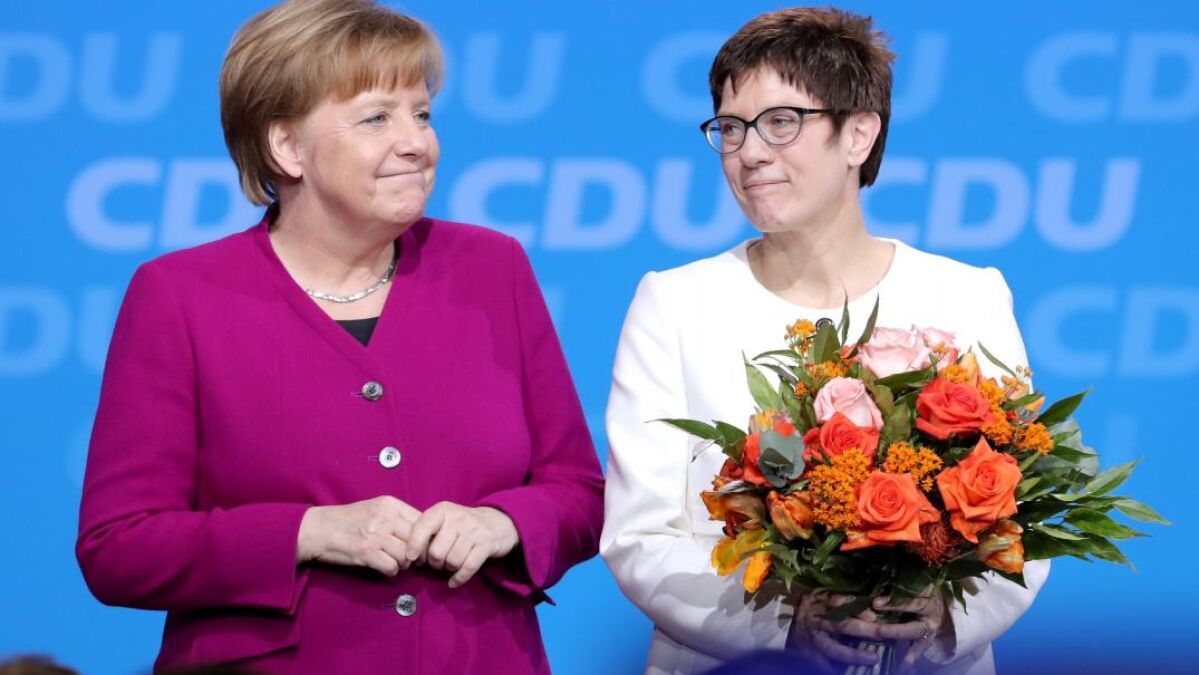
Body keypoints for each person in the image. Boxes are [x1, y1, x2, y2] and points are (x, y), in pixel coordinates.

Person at [75, 1, 604, 673]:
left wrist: (505, 523)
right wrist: (308, 531)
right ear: (287, 147)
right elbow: (118, 546)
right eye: (377, 118)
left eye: (422, 114)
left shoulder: (491, 267)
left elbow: (579, 494)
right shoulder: (179, 296)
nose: (416, 143)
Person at [601, 7, 1048, 675]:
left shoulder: (966, 296)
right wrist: (785, 624)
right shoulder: (674, 303)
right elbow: (640, 535)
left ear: (858, 134)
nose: (749, 152)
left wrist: (941, 616)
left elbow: (1021, 515)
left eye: (781, 122)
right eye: (730, 128)